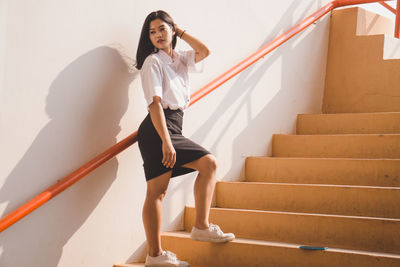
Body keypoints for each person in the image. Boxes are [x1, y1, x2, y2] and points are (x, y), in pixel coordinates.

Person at [135, 10, 235, 267]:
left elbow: (205, 51)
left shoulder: (179, 58)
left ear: (172, 30)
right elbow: (154, 105)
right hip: (158, 128)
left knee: (160, 191)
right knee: (203, 166)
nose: (157, 35)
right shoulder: (152, 62)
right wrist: (166, 141)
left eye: (162, 29)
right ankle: (167, 247)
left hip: (173, 127)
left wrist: (179, 30)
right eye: (152, 32)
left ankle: (158, 254)